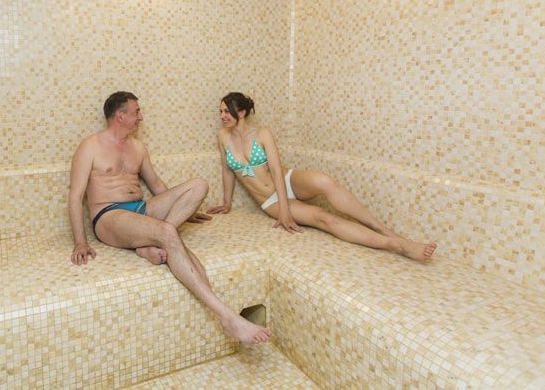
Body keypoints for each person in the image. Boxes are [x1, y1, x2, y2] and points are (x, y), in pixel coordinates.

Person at [68, 91, 271, 344]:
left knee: (199, 185)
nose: (141, 117)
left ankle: (148, 243)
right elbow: (75, 197)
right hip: (109, 216)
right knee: (168, 232)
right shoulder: (90, 147)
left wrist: (184, 210)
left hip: (141, 209)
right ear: (120, 115)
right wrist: (80, 241)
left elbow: (156, 185)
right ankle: (227, 318)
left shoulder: (137, 147)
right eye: (136, 111)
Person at [208, 92, 437, 262]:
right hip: (270, 200)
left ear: (241, 112)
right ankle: (396, 245)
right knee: (324, 218)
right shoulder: (223, 137)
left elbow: (277, 171)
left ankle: (386, 230)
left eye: (227, 111)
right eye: (221, 111)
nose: (222, 116)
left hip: (286, 180)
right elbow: (227, 170)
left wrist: (287, 210)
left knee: (326, 182)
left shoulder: (262, 133)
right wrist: (227, 203)